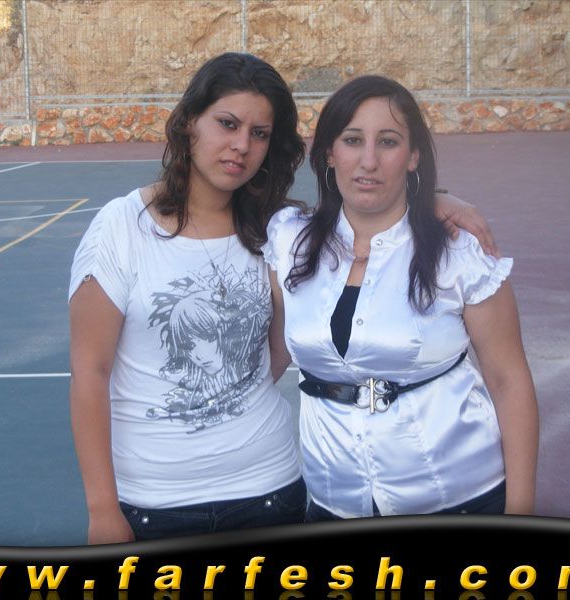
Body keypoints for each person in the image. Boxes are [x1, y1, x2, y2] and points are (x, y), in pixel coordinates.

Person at [69, 54, 499, 544]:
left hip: (271, 489)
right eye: (227, 124)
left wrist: (433, 199)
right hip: (153, 503)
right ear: (189, 122)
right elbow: (89, 372)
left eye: (259, 133)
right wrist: (102, 508)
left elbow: (282, 346)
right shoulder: (122, 227)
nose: (241, 145)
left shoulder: (276, 232)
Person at [264, 75, 538, 521]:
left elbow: (510, 381)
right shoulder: (289, 241)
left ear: (412, 157)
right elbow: (275, 354)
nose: (368, 161)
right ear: (330, 153)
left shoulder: (459, 253)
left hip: (457, 499)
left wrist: (522, 511)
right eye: (352, 140)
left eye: (388, 142)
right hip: (334, 502)